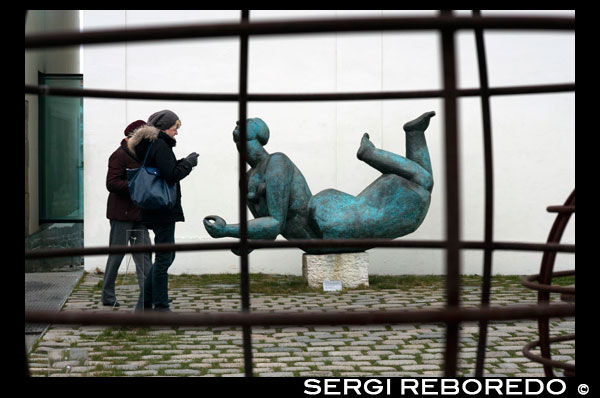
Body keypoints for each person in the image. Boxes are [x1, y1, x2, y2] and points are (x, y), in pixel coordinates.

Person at [204, 111, 435, 254]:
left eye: (242, 122)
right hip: (327, 228)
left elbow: (272, 225)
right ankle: (374, 151)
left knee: (418, 183)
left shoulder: (271, 166)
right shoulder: (265, 168)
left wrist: (232, 232)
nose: (237, 123)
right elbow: (271, 226)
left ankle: (410, 134)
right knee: (422, 182)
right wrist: (234, 234)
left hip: (326, 225)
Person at [128, 110, 199, 311]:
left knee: (165, 256)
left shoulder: (149, 144)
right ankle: (158, 306)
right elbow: (170, 175)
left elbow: (162, 169)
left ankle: (145, 305)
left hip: (152, 209)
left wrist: (181, 162)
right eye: (175, 128)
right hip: (163, 209)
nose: (177, 132)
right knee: (164, 257)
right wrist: (188, 164)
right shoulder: (160, 144)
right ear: (164, 127)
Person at [102, 120, 152, 309]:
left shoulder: (144, 154)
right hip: (121, 214)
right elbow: (112, 183)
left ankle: (149, 294)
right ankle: (107, 295)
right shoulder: (118, 155)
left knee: (144, 255)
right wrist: (135, 184)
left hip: (140, 213)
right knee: (116, 255)